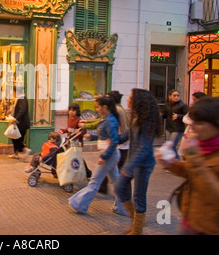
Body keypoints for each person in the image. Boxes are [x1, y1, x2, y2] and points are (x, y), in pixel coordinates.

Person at [158, 97, 219, 235]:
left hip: (217, 229)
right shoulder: (206, 143)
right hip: (192, 222)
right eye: (193, 121)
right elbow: (193, 173)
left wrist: (195, 157)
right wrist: (172, 163)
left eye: (200, 123)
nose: (193, 126)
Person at [114, 88, 161, 235]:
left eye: (130, 97)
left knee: (138, 196)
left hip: (143, 164)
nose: (127, 99)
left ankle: (137, 229)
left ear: (138, 101)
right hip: (133, 161)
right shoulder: (138, 117)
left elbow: (144, 147)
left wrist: (128, 167)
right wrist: (116, 139)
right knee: (120, 188)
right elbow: (130, 134)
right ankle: (135, 222)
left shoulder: (147, 121)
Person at [69, 96, 123, 214]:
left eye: (98, 107)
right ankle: (122, 207)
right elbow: (104, 135)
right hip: (110, 154)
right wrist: (92, 137)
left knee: (94, 182)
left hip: (109, 155)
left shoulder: (110, 120)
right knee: (117, 183)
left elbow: (114, 141)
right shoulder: (106, 119)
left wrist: (104, 156)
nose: (97, 110)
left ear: (105, 107)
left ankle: (79, 204)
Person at [179, 92, 207, 156]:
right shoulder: (193, 108)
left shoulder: (206, 110)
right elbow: (185, 118)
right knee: (188, 153)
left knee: (194, 152)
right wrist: (191, 122)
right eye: (193, 100)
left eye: (195, 100)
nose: (193, 101)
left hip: (198, 135)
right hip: (190, 132)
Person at [162, 90, 188, 159]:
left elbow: (187, 116)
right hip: (169, 127)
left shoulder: (183, 105)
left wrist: (178, 116)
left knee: (172, 145)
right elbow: (164, 114)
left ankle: (178, 161)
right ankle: (171, 162)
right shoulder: (167, 104)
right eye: (174, 95)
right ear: (169, 96)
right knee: (168, 145)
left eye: (177, 95)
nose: (176, 97)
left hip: (178, 128)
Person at [8, 86, 31, 160]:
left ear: (16, 92)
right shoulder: (19, 99)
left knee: (18, 139)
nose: (13, 93)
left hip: (21, 123)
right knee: (14, 137)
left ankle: (24, 149)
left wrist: (16, 119)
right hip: (18, 123)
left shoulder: (22, 99)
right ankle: (16, 153)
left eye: (13, 92)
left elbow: (22, 110)